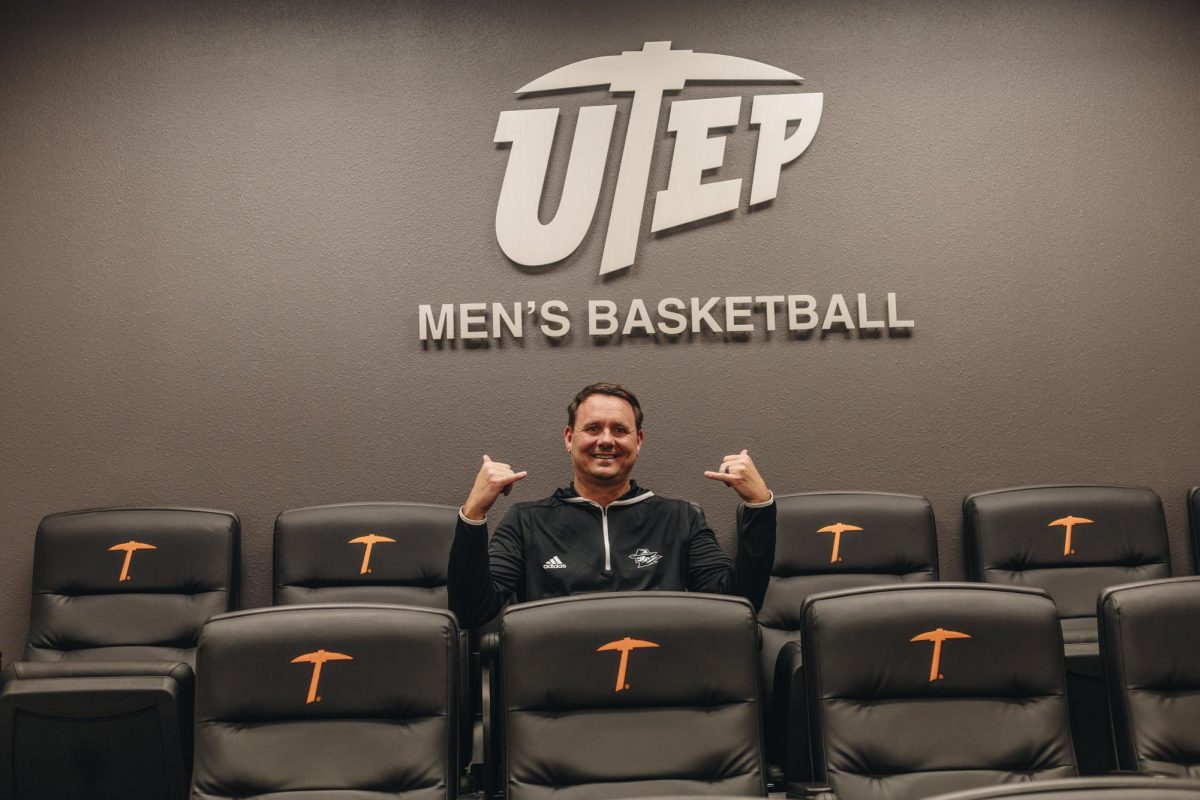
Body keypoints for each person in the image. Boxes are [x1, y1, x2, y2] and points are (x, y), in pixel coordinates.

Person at [447, 382, 776, 629]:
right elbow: (472, 611)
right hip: (553, 697)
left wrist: (759, 507)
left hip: (662, 689)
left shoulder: (680, 518)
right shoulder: (526, 521)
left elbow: (738, 602)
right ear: (568, 438)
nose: (606, 440)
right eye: (592, 428)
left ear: (638, 441)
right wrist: (474, 513)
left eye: (620, 429)